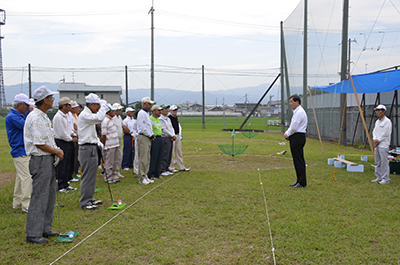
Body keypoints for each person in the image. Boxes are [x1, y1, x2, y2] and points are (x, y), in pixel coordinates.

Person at [24, 86, 64, 244]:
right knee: (40, 197)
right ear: (45, 100)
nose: (53, 100)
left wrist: (55, 151)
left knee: (49, 196)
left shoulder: (43, 116)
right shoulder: (36, 117)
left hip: (47, 159)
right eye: (51, 97)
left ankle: (45, 229)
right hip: (40, 160)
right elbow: (40, 144)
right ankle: (33, 234)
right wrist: (58, 152)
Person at [78, 93, 107, 210]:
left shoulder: (89, 114)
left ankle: (89, 197)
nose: (99, 108)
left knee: (92, 174)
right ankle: (85, 201)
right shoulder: (84, 114)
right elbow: (99, 118)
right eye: (98, 105)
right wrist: (104, 107)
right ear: (92, 105)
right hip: (86, 148)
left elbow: (92, 132)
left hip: (92, 146)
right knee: (87, 175)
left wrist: (98, 142)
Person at [5, 93, 34, 213]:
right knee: (27, 177)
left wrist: (29, 111)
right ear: (20, 105)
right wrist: (32, 112)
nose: (28, 108)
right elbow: (28, 126)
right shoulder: (13, 117)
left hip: (22, 150)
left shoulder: (18, 115)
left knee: (20, 178)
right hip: (20, 150)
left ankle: (17, 202)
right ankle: (26, 204)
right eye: (26, 106)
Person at [53, 97, 78, 193]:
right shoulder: (58, 117)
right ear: (64, 106)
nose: (70, 107)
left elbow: (68, 130)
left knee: (68, 163)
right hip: (62, 142)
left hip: (68, 141)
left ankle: (65, 183)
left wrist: (74, 135)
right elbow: (62, 133)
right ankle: (60, 185)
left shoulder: (66, 115)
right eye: (69, 105)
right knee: (62, 164)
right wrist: (72, 139)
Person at [284, 95, 308, 188]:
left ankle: (301, 182)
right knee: (297, 159)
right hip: (296, 136)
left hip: (298, 136)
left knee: (298, 160)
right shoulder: (297, 112)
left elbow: (294, 126)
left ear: (297, 102)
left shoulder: (299, 112)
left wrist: (287, 133)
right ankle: (299, 180)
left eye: (291, 102)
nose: (290, 104)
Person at [136, 97, 155, 185]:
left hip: (148, 137)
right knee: (143, 158)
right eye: (149, 104)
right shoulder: (141, 113)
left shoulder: (146, 113)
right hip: (144, 137)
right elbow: (143, 128)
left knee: (147, 158)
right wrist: (150, 134)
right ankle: (142, 177)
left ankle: (145, 175)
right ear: (144, 104)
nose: (150, 106)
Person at [371, 104, 392, 185]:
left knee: (384, 162)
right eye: (377, 110)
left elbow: (386, 133)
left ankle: (385, 179)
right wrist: (375, 139)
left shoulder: (387, 121)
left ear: (384, 111)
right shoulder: (377, 121)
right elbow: (374, 131)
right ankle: (379, 177)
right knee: (378, 162)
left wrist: (378, 140)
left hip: (384, 144)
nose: (378, 112)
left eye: (379, 110)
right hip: (377, 144)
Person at [101, 104, 120, 184]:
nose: (114, 112)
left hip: (115, 144)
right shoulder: (105, 121)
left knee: (115, 161)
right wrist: (104, 146)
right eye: (113, 111)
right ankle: (108, 178)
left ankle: (112, 177)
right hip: (110, 145)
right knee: (110, 162)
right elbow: (104, 135)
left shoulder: (111, 119)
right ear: (108, 112)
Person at [168, 105, 190, 172]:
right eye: (174, 110)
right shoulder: (169, 118)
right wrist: (172, 135)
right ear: (171, 111)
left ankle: (181, 167)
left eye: (176, 110)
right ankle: (171, 167)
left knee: (179, 152)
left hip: (177, 136)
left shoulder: (176, 117)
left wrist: (179, 135)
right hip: (172, 136)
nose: (175, 112)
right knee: (171, 153)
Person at [159, 104, 176, 177]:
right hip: (164, 137)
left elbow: (171, 128)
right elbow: (163, 129)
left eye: (167, 109)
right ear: (161, 111)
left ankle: (167, 168)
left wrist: (173, 135)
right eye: (164, 109)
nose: (166, 110)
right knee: (164, 154)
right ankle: (162, 169)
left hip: (170, 138)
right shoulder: (161, 119)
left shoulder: (168, 119)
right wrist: (171, 135)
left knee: (169, 154)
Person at [148, 105, 163, 180]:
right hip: (154, 138)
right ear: (153, 111)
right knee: (153, 157)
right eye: (158, 110)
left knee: (159, 156)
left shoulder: (158, 119)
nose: (160, 112)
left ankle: (157, 173)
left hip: (160, 137)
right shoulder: (150, 119)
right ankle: (151, 174)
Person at [112, 103, 124, 179]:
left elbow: (123, 126)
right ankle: (113, 173)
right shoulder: (113, 118)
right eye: (119, 109)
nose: (120, 111)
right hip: (113, 141)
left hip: (119, 140)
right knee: (114, 157)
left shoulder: (119, 117)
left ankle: (117, 171)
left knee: (119, 156)